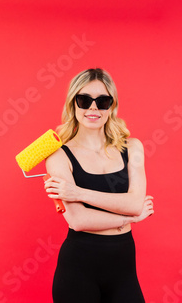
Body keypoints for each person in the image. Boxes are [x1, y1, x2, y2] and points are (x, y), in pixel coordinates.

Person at [43, 68, 154, 303]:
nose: (93, 108)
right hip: (78, 269)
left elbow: (135, 203)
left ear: (112, 106)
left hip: (123, 267)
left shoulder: (132, 148)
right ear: (73, 104)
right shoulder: (58, 156)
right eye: (84, 100)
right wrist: (130, 219)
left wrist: (78, 192)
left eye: (102, 101)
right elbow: (79, 220)